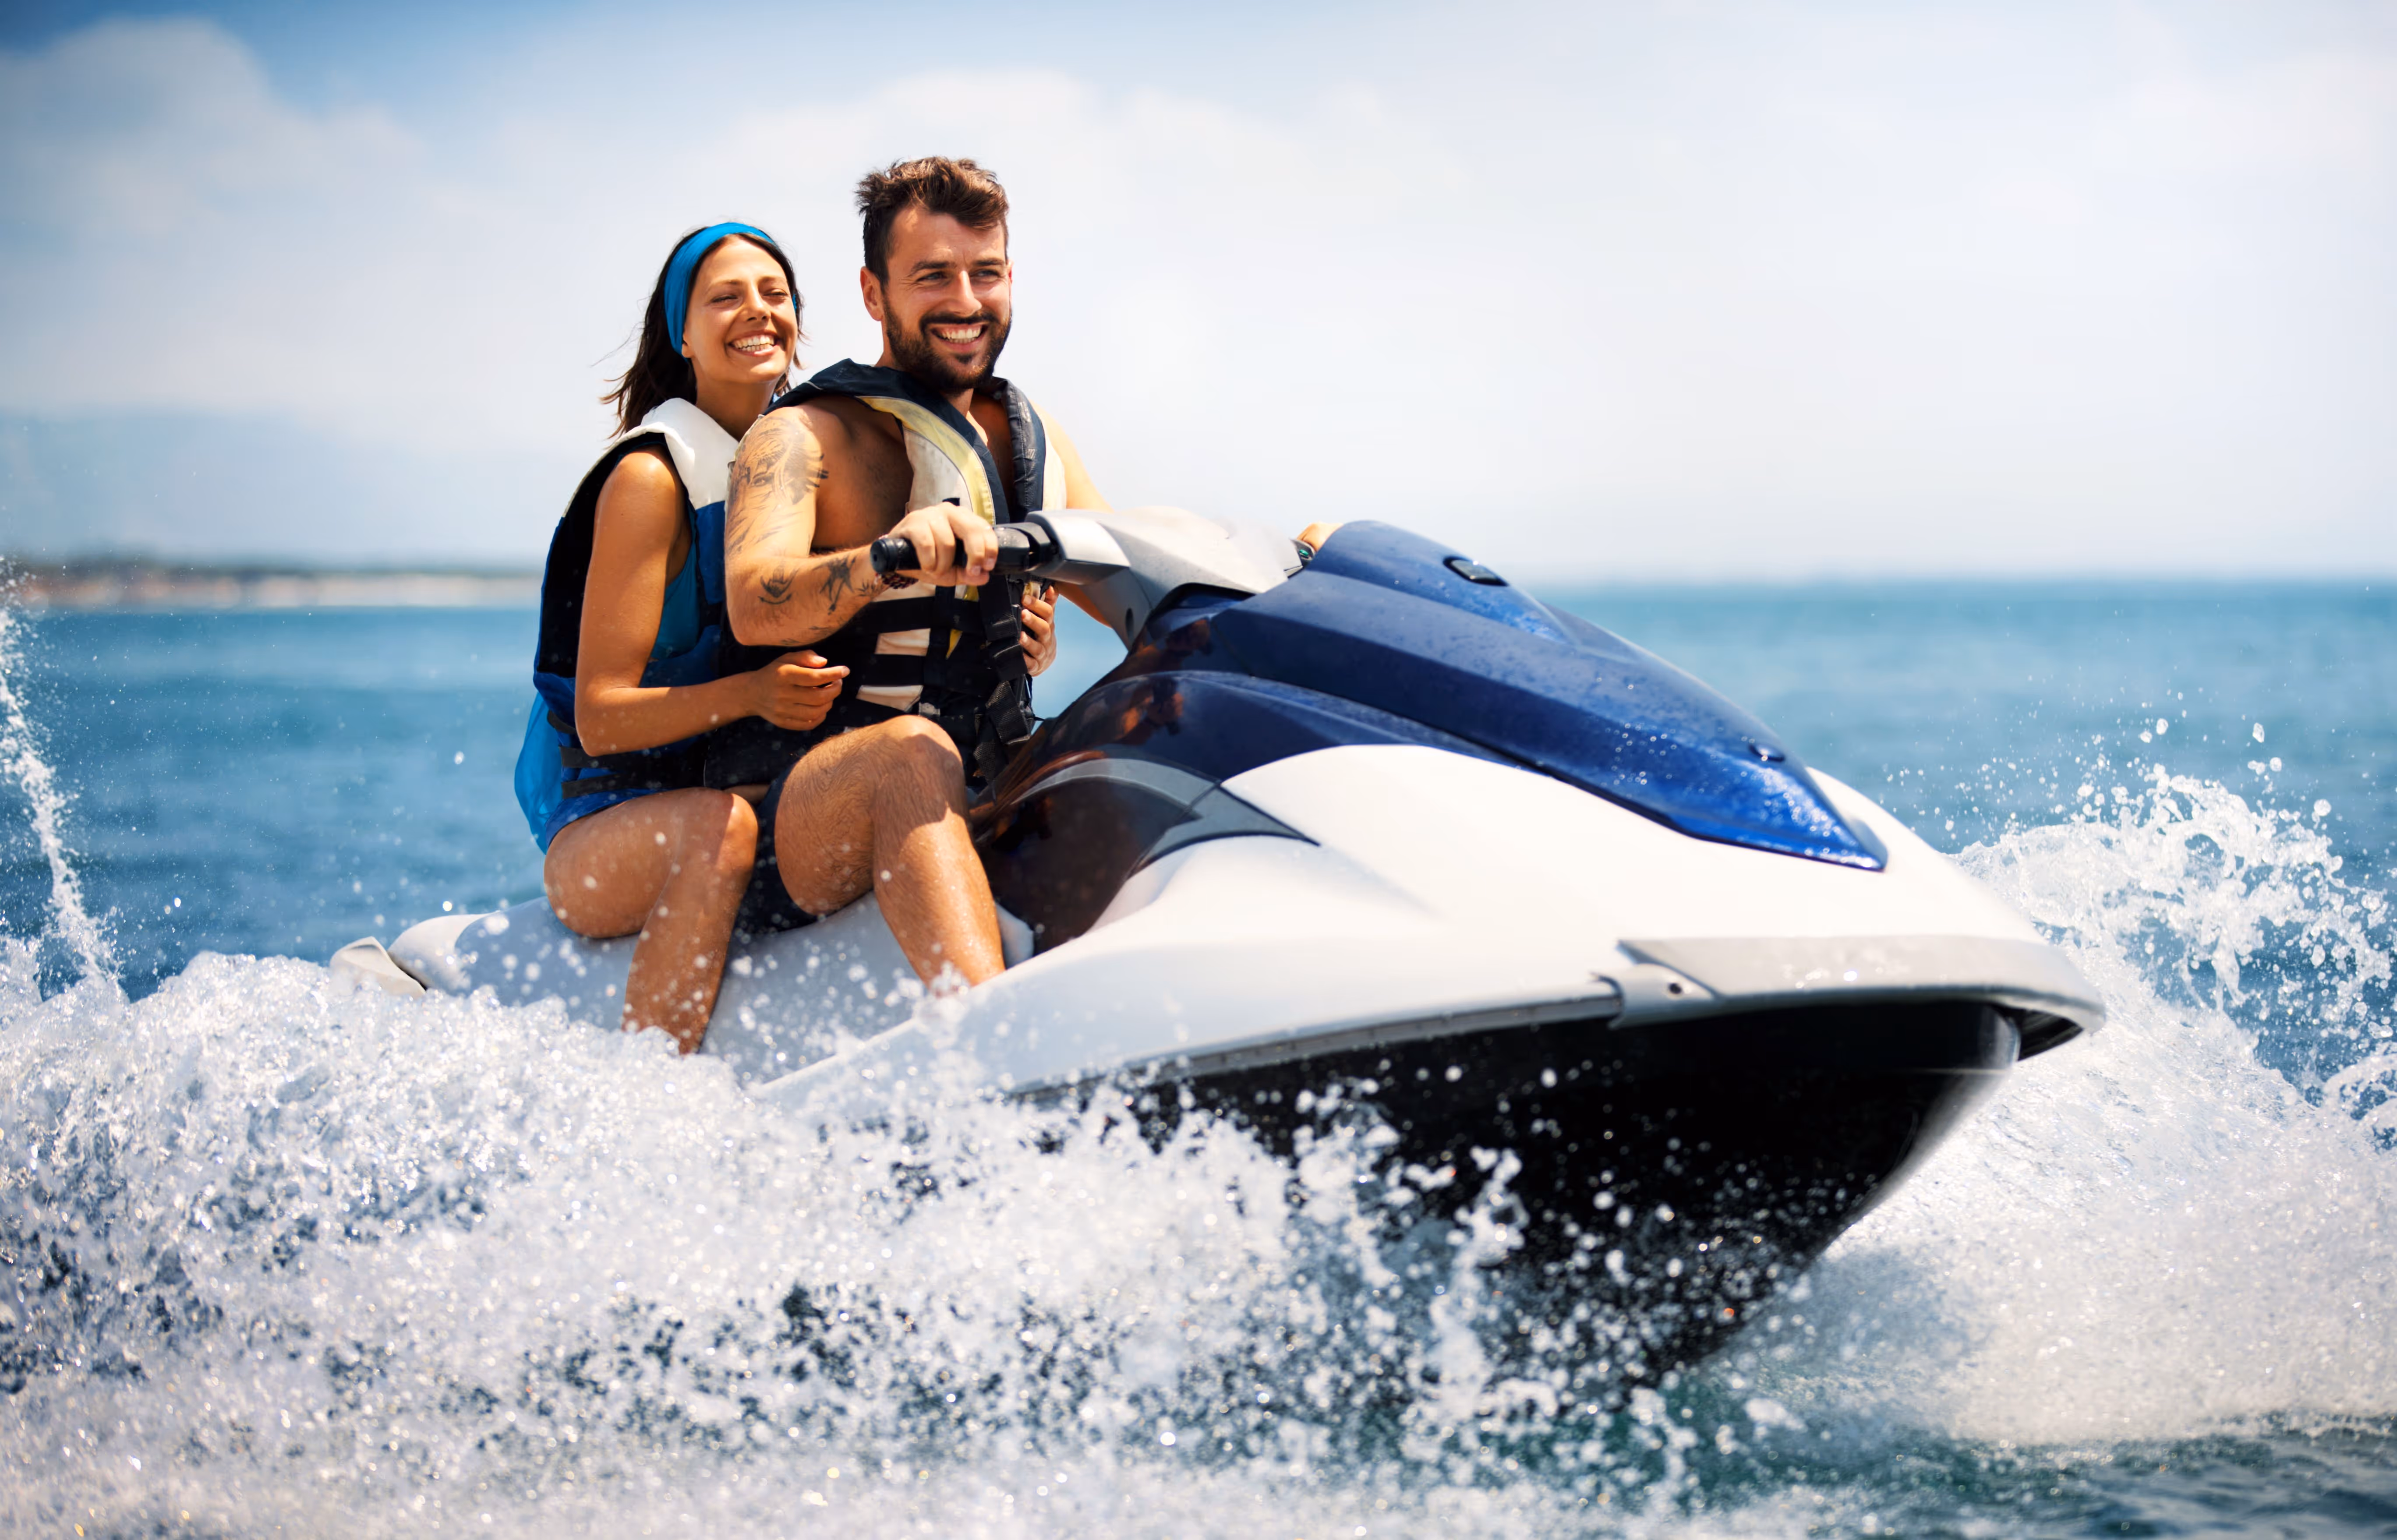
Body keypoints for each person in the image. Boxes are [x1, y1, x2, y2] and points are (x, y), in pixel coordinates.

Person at [717, 158, 1092, 991]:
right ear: (873, 292)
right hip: (805, 812)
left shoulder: (1030, 434)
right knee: (911, 755)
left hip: (986, 779)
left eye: (985, 273)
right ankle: (990, 1036)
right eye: (932, 276)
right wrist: (885, 559)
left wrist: (1288, 570)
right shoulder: (804, 436)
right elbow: (753, 602)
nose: (966, 300)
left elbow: (1124, 573)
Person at [512, 223, 847, 1052]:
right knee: (718, 827)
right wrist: (755, 695)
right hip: (603, 822)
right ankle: (650, 1091)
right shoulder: (651, 480)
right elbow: (601, 718)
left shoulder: (805, 465)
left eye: (775, 294)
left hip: (742, 786)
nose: (757, 310)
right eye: (725, 297)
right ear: (683, 335)